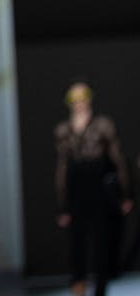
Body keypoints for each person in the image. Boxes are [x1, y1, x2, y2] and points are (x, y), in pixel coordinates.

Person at [55, 81, 134, 296]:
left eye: (83, 97)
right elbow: (62, 168)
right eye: (74, 98)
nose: (79, 102)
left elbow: (117, 159)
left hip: (99, 189)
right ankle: (78, 289)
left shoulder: (102, 126)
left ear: (90, 98)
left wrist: (124, 194)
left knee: (102, 244)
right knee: (77, 246)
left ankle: (100, 291)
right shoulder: (64, 131)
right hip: (77, 191)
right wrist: (62, 204)